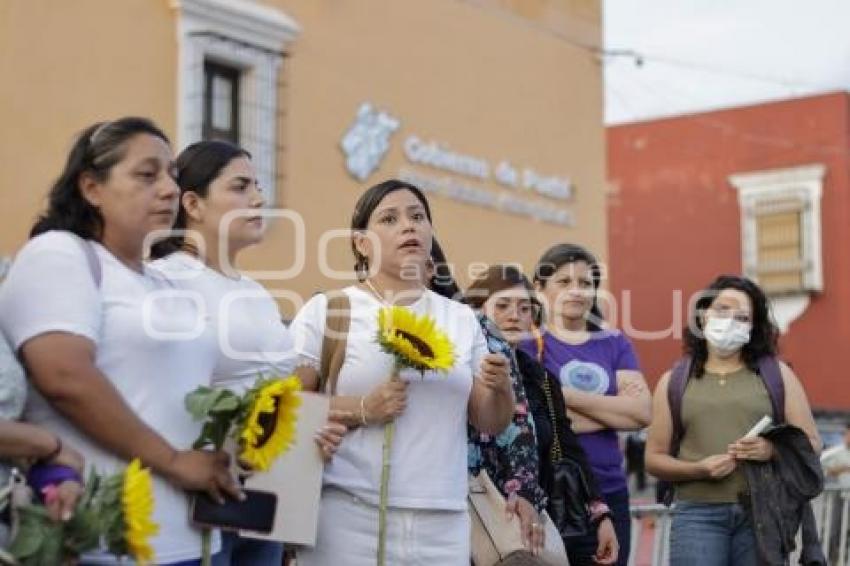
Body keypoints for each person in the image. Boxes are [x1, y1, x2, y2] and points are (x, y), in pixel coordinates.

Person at [0, 118, 241, 565]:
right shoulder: (61, 254)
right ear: (91, 187)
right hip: (104, 542)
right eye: (147, 175)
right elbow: (65, 377)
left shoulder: (164, 284)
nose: (169, 189)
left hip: (195, 541)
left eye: (172, 173)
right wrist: (172, 460)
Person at [290, 179, 514, 565]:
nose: (409, 226)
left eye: (417, 217)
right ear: (361, 244)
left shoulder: (460, 318)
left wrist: (501, 388)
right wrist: (362, 408)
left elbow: (490, 422)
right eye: (389, 219)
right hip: (348, 512)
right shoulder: (329, 311)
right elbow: (282, 407)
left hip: (444, 521)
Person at [150, 140, 346, 565]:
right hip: (195, 502)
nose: (259, 198)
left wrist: (310, 433)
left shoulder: (256, 293)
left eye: (258, 186)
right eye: (240, 186)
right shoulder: (164, 281)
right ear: (193, 204)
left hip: (267, 500)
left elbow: (278, 393)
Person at [645, 275, 820, 566]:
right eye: (722, 310)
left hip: (762, 513)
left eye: (742, 316)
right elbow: (653, 458)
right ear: (702, 315)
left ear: (753, 328)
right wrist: (698, 469)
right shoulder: (673, 381)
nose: (730, 321)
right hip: (696, 514)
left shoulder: (778, 375)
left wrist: (772, 450)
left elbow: (812, 443)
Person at [466, 265, 618, 565]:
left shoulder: (540, 378)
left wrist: (600, 514)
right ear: (476, 310)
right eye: (503, 305)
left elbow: (567, 445)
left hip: (531, 517)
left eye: (525, 308)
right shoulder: (461, 369)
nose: (515, 315)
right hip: (468, 516)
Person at [520, 243, 650, 565]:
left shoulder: (614, 342)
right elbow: (537, 422)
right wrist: (611, 412)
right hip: (550, 494)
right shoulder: (526, 345)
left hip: (609, 490)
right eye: (564, 282)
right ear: (539, 288)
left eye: (585, 283)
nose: (576, 291)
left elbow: (641, 413)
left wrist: (562, 397)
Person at [821, 423, 850, 561]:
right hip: (840, 499)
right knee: (835, 533)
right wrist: (836, 470)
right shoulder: (835, 453)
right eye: (847, 434)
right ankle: (833, 560)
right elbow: (818, 470)